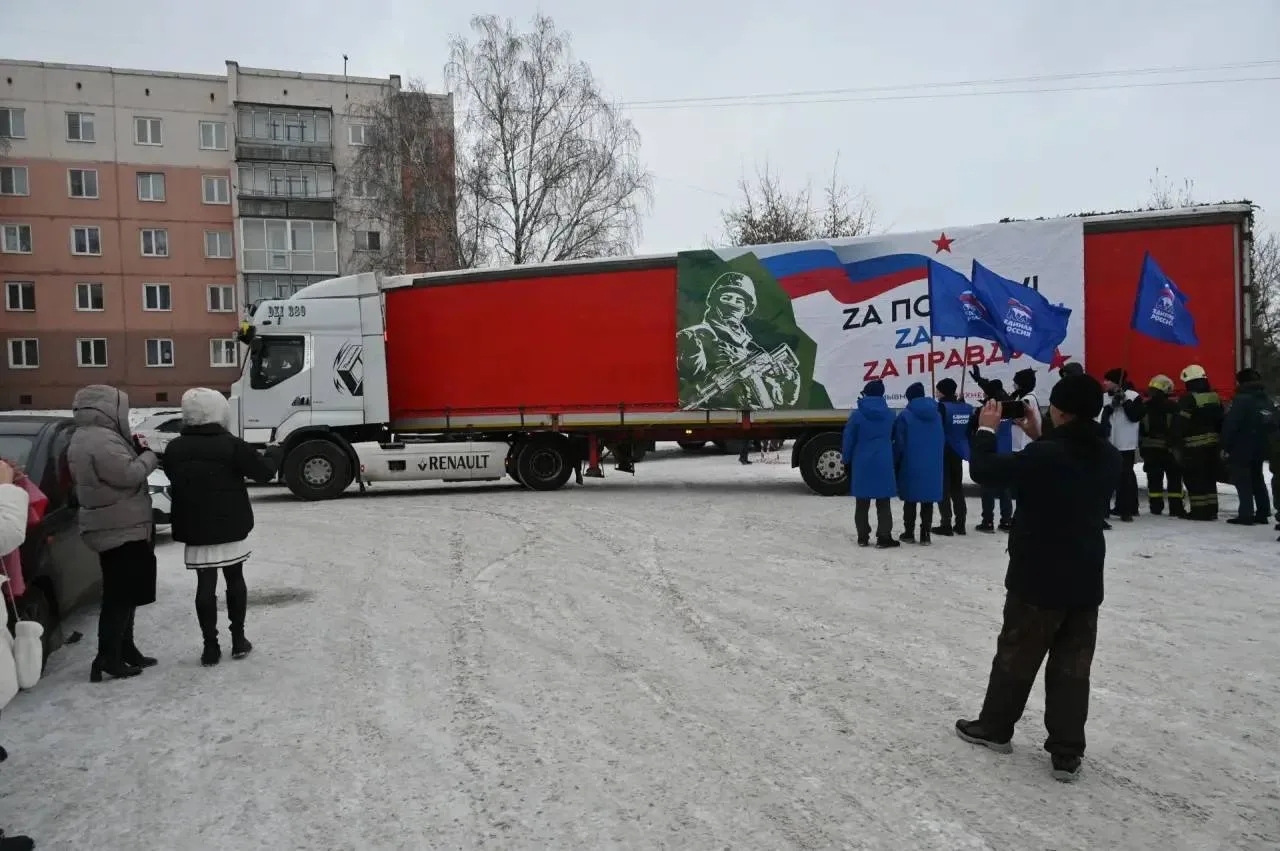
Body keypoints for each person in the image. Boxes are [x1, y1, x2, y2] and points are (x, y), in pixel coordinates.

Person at [956, 373, 1121, 783]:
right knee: (1073, 667)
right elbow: (1066, 462)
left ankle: (995, 727)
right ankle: (1067, 752)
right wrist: (1039, 435)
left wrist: (986, 430)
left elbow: (985, 470)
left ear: (1059, 411)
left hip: (1038, 574)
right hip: (1085, 576)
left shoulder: (1047, 455)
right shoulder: (1107, 454)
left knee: (1016, 654)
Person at [163, 388, 277, 666]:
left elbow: (172, 474)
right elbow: (264, 473)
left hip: (195, 526)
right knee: (235, 578)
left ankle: (210, 647)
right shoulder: (231, 445)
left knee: (205, 584)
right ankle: (238, 639)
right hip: (230, 524)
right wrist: (275, 452)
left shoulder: (174, 448)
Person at [67, 385, 160, 683]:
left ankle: (125, 649)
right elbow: (128, 474)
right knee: (119, 597)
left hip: (115, 523)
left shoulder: (87, 436)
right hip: (119, 526)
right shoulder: (101, 439)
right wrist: (149, 456)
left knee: (124, 592)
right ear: (108, 409)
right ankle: (108, 657)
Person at [841, 379, 899, 548]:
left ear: (866, 393)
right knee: (883, 501)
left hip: (862, 461)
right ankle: (884, 536)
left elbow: (848, 439)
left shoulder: (857, 415)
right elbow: (895, 437)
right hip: (883, 460)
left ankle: (862, 537)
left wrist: (846, 459)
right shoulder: (890, 414)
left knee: (862, 502)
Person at [1221, 368, 1276, 526]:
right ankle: (1263, 512)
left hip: (1242, 446)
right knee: (1257, 478)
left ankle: (1246, 514)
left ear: (1241, 382)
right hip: (1262, 446)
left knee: (1243, 481)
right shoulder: (1266, 399)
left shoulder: (1241, 400)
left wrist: (1225, 445)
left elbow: (1231, 424)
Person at [892, 382, 944, 544]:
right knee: (928, 499)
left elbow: (899, 443)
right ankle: (925, 534)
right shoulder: (937, 415)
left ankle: (909, 533)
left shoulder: (905, 416)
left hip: (911, 463)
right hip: (932, 463)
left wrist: (895, 461)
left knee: (910, 499)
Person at [1171, 364, 1225, 521]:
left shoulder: (1188, 399)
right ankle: (1212, 510)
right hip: (1213, 446)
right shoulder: (1214, 397)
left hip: (1194, 448)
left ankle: (1199, 511)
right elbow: (1221, 420)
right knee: (1209, 478)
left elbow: (1180, 424)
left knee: (1195, 479)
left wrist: (1174, 441)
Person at [967, 380, 1014, 532]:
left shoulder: (987, 409)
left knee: (987, 487)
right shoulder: (1010, 406)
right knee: (1005, 488)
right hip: (1006, 450)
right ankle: (1006, 520)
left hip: (990, 449)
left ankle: (987, 521)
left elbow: (973, 426)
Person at [1100, 369, 1145, 522]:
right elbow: (1100, 417)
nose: (1105, 383)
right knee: (1106, 476)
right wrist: (1111, 407)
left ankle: (1127, 509)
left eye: (1108, 380)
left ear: (1117, 382)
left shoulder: (1133, 396)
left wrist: (1125, 402)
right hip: (1108, 442)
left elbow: (1135, 416)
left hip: (1126, 443)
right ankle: (1104, 509)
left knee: (1125, 477)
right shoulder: (1104, 397)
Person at [1139, 375, 1185, 517]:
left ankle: (1156, 507)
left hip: (1150, 448)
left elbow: (1141, 429)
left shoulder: (1145, 406)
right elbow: (1178, 428)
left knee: (1154, 479)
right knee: (1174, 479)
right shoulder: (1174, 407)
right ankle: (1176, 508)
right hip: (1169, 448)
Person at [932, 378, 973, 536]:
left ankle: (946, 523)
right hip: (959, 450)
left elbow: (937, 427)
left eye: (938, 390)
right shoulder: (966, 407)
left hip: (944, 449)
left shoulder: (941, 407)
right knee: (957, 487)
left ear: (943, 391)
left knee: (943, 487)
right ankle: (960, 523)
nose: (936, 392)